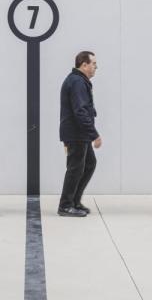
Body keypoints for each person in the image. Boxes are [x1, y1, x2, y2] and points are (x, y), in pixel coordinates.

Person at [58, 51, 102, 217]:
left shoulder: (79, 81)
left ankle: (74, 201)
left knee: (89, 164)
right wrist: (94, 135)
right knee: (75, 168)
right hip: (76, 133)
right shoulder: (77, 82)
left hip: (80, 133)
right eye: (93, 64)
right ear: (84, 64)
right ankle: (65, 205)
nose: (96, 67)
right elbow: (80, 111)